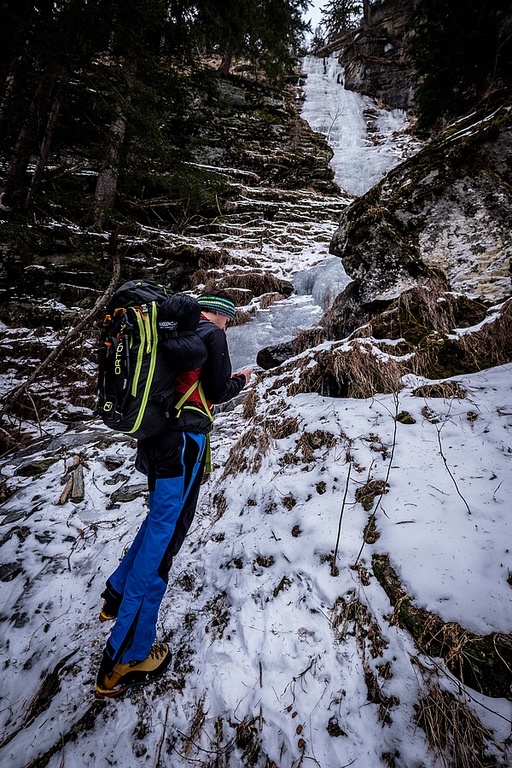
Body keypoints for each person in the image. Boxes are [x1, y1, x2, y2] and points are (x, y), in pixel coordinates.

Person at [95, 291, 252, 698]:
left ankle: (115, 594)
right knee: (164, 544)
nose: (227, 326)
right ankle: (124, 657)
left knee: (157, 523)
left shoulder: (170, 333)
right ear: (219, 314)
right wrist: (241, 381)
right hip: (184, 447)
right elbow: (216, 392)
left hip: (156, 442)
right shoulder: (211, 335)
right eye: (228, 319)